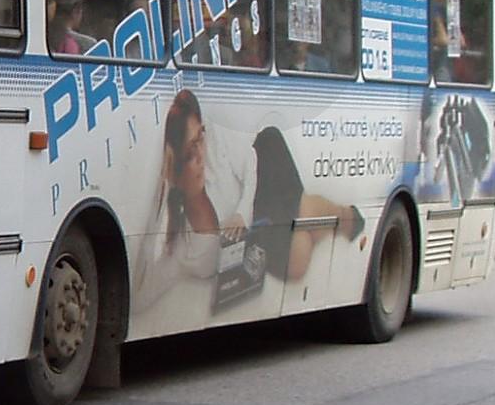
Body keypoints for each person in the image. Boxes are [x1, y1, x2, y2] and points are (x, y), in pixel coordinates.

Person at [138, 90, 361, 301]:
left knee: (302, 220)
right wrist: (161, 189)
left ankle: (345, 218)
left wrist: (241, 215)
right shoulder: (180, 248)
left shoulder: (215, 145)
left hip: (262, 173)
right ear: (173, 168)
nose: (200, 154)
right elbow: (141, 292)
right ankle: (345, 220)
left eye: (200, 138)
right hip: (257, 231)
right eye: (189, 153)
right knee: (298, 263)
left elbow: (249, 161)